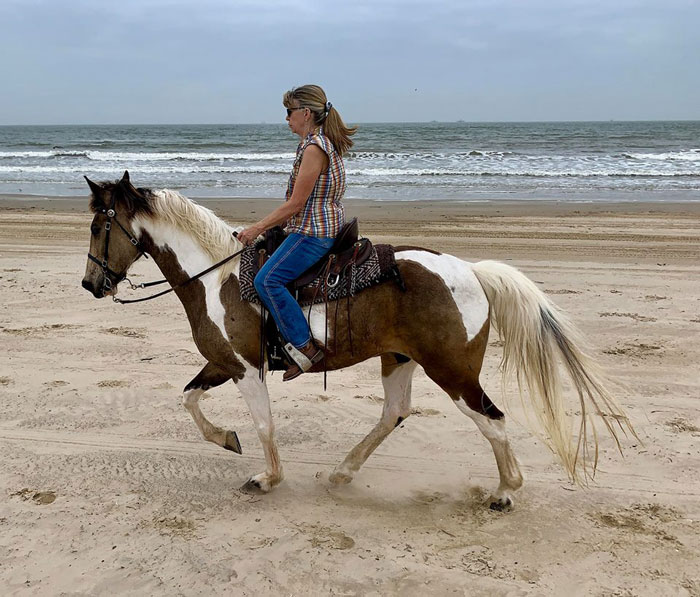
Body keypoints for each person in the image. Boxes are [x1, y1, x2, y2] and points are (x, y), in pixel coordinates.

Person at [238, 85, 357, 381]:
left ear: (305, 113)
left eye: (289, 112)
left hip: (313, 233)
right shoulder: (319, 142)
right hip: (316, 225)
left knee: (267, 280)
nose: (286, 119)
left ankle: (305, 348)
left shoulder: (315, 148)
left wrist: (257, 227)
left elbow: (297, 204)